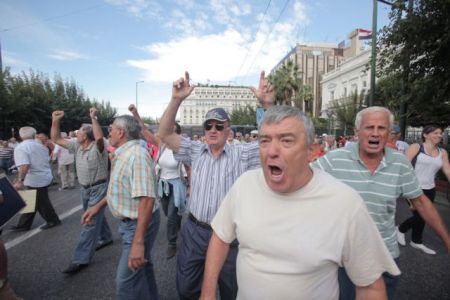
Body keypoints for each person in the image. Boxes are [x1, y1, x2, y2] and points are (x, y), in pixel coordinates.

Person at [200, 105, 399, 300]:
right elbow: (220, 236)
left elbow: (371, 286)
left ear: (311, 151)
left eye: (286, 141)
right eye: (265, 141)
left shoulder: (346, 203)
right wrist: (208, 294)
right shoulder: (244, 185)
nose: (272, 151)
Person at [311, 106, 450, 299]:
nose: (375, 133)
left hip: (385, 256)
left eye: (382, 128)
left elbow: (421, 203)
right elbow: (298, 180)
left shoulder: (400, 163)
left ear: (389, 133)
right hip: (345, 258)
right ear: (357, 131)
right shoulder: (334, 159)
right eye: (369, 127)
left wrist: (448, 241)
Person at [157, 71, 273, 300]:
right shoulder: (195, 150)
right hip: (196, 230)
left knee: (231, 290)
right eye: (208, 125)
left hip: (230, 236)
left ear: (228, 132)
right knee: (187, 289)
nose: (212, 130)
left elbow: (271, 139)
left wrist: (268, 105)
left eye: (219, 126)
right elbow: (164, 133)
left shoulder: (241, 154)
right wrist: (176, 99)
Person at [82, 115, 160, 300]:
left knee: (126, 282)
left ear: (121, 132)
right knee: (142, 268)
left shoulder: (137, 156)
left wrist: (138, 243)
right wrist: (98, 206)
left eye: (111, 129)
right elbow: (120, 189)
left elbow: (147, 200)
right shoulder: (123, 153)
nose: (109, 132)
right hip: (132, 223)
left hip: (138, 224)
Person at [51, 108, 113, 274]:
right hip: (84, 189)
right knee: (94, 215)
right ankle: (106, 237)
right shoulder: (76, 146)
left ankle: (80, 259)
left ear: (87, 134)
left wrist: (93, 118)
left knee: (89, 222)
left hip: (99, 188)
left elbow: (99, 137)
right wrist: (55, 121)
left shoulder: (98, 147)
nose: (76, 133)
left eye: (79, 131)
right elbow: (56, 138)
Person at [129, 104, 188, 260]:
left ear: (178, 135)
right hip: (163, 185)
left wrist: (191, 187)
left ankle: (172, 243)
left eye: (173, 131)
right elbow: (144, 131)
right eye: (168, 131)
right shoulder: (161, 146)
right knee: (168, 214)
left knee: (170, 218)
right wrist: (136, 114)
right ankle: (177, 220)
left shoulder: (182, 149)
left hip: (176, 185)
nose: (169, 134)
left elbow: (189, 168)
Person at [397, 125, 450, 255]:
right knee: (422, 215)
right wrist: (407, 194)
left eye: (440, 133)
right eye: (435, 133)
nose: (439, 135)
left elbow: (447, 170)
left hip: (430, 189)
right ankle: (401, 229)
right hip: (414, 187)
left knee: (423, 217)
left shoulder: (442, 152)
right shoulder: (416, 147)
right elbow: (403, 169)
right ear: (425, 135)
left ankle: (416, 241)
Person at [10, 127, 61, 231]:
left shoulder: (21, 147)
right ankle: (24, 224)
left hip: (35, 178)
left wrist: (20, 180)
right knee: (31, 200)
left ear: (20, 136)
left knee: (41, 202)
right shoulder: (40, 145)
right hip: (43, 176)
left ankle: (53, 220)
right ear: (34, 135)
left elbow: (24, 165)